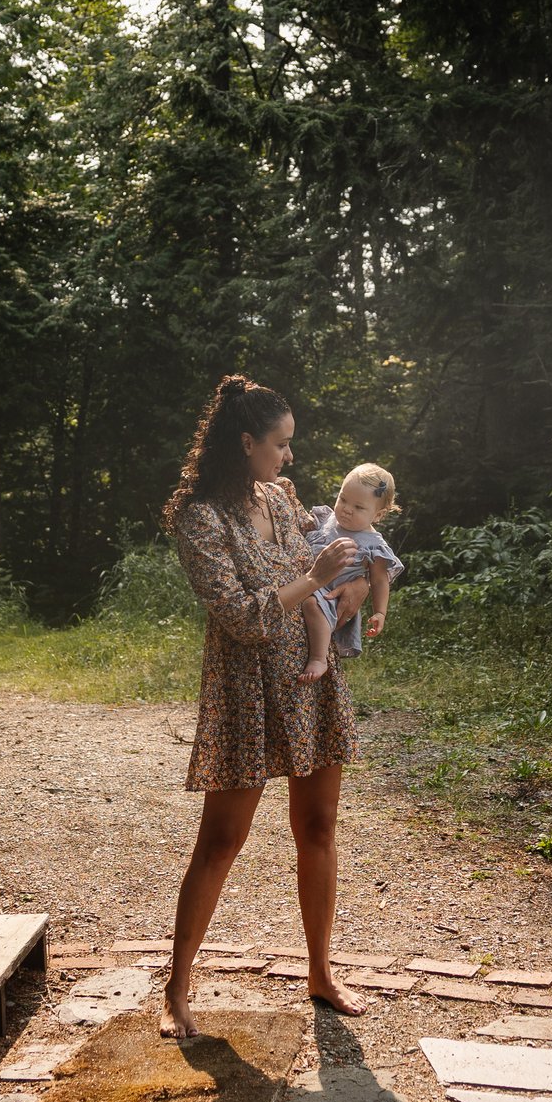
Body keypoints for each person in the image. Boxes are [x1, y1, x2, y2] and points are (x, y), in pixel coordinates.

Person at [161, 376, 365, 1039]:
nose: (289, 458)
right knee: (221, 840)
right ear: (246, 442)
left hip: (308, 679)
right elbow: (245, 617)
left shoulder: (279, 498)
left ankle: (320, 972)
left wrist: (356, 541)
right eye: (280, 445)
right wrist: (315, 577)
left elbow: (315, 546)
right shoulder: (198, 517)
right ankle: (176, 987)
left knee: (319, 827)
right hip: (245, 689)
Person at [292, 462, 405, 676]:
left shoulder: (373, 544)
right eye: (343, 499)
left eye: (359, 507)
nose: (346, 509)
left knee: (312, 604)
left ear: (378, 515)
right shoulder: (326, 519)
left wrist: (380, 612)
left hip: (331, 597)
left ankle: (319, 658)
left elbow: (380, 580)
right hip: (306, 582)